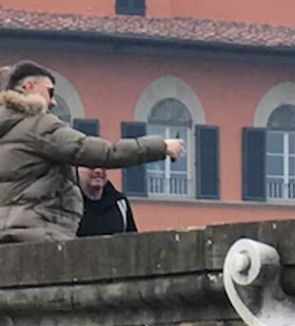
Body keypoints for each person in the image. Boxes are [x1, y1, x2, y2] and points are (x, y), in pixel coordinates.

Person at [0, 60, 182, 243]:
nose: (53, 102)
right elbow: (103, 153)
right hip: (38, 235)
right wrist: (161, 147)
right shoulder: (38, 126)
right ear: (29, 86)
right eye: (50, 92)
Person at [76, 166, 137, 237]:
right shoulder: (66, 204)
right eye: (91, 165)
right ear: (77, 169)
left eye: (103, 166)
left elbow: (133, 243)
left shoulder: (120, 203)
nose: (98, 170)